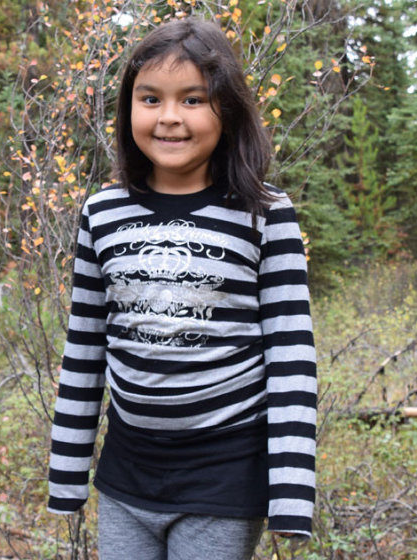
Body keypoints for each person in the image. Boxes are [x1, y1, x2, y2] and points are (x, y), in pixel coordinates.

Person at [47, 18, 316, 560]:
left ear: (228, 108)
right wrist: (67, 476)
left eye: (193, 99)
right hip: (127, 472)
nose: (169, 117)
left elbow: (291, 358)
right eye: (150, 98)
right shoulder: (102, 212)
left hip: (223, 474)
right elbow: (84, 351)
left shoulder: (265, 214)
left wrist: (291, 495)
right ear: (128, 109)